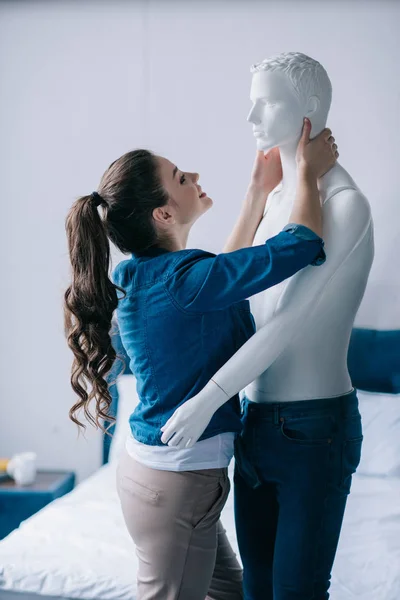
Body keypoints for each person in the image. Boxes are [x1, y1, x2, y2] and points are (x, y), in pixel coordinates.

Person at [63, 117, 338, 600]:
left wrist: (256, 193)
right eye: (180, 179)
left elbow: (217, 280)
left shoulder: (141, 274)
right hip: (176, 484)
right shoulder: (182, 281)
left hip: (152, 474)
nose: (192, 175)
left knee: (232, 594)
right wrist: (309, 176)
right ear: (162, 215)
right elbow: (300, 247)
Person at [160, 52, 374, 600]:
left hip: (313, 428)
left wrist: (206, 398)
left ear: (309, 110)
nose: (251, 115)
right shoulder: (281, 199)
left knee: (296, 592)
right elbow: (221, 293)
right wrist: (256, 195)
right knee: (256, 590)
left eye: (268, 100)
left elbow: (281, 324)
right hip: (254, 420)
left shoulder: (345, 204)